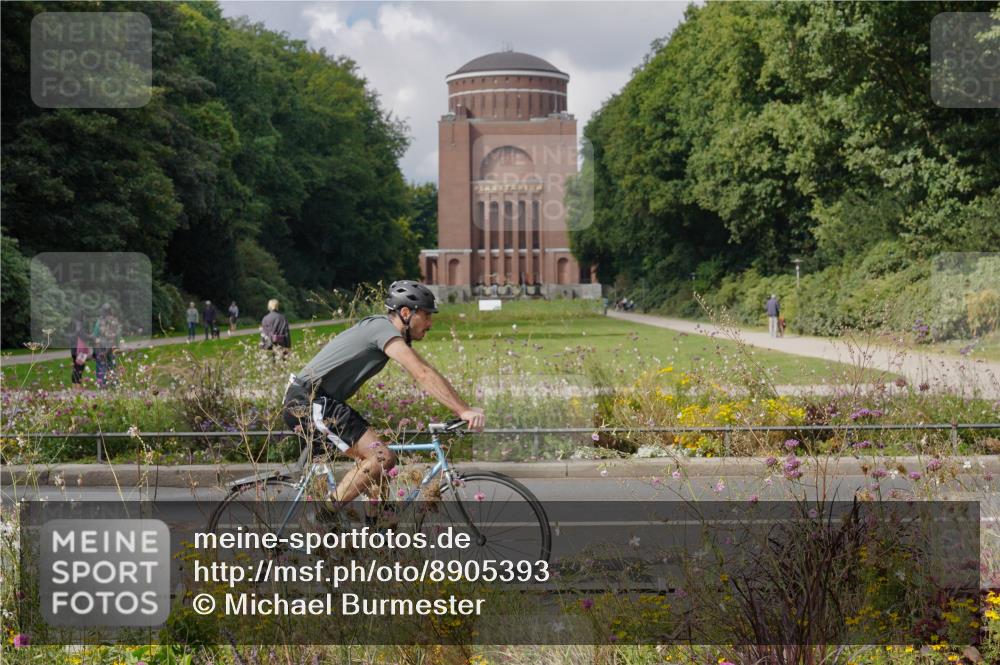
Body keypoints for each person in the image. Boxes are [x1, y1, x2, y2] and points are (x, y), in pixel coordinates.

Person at [282, 280, 485, 506]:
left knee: (380, 466)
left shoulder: (382, 330)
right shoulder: (382, 330)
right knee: (382, 458)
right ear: (406, 313)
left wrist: (462, 407)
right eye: (426, 315)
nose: (430, 323)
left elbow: (427, 370)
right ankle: (324, 516)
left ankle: (377, 531)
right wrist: (463, 410)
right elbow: (423, 373)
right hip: (309, 401)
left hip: (323, 402)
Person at [92, 303, 121, 388]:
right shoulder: (115, 321)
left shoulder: (100, 321)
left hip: (101, 347)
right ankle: (114, 385)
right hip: (112, 347)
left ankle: (103, 385)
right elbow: (117, 335)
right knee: (112, 366)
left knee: (101, 367)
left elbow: (95, 334)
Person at [67, 309, 89, 388]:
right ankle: (78, 387)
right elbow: (83, 336)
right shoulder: (80, 324)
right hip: (80, 349)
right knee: (80, 367)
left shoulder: (72, 323)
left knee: (75, 367)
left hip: (73, 348)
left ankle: (74, 386)